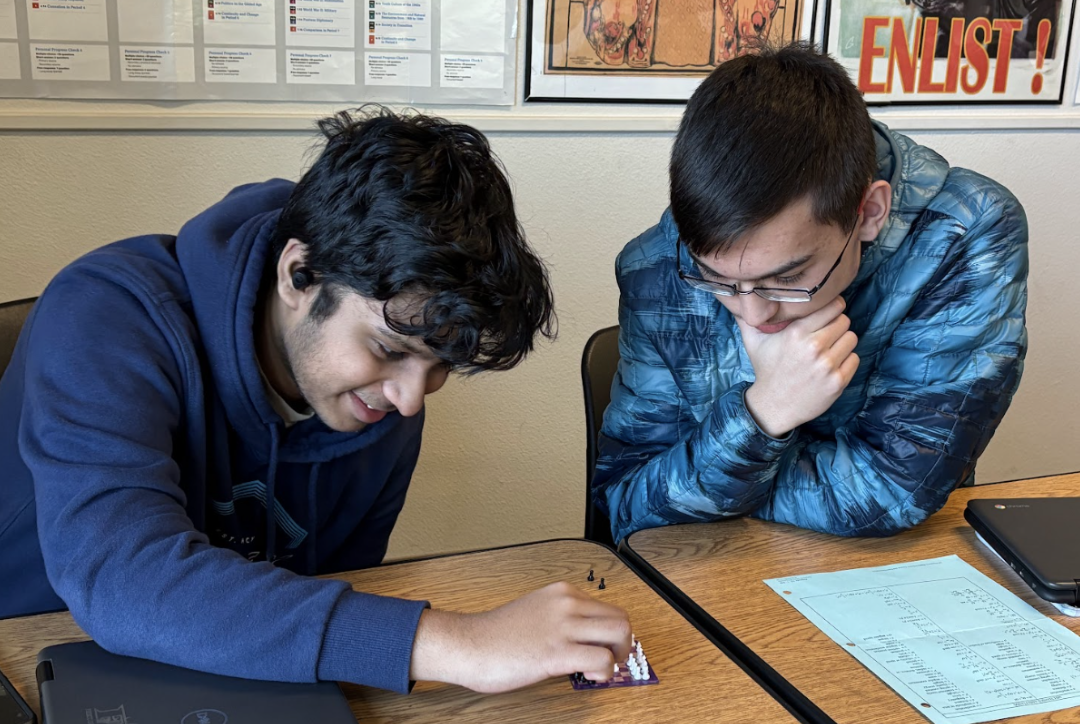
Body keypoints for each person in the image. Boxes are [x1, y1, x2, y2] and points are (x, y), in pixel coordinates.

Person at [0, 108, 632, 694]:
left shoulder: (378, 403)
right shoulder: (104, 315)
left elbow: (337, 592)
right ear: (299, 274)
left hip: (233, 669)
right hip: (36, 657)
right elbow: (121, 578)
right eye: (389, 350)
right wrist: (460, 642)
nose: (411, 401)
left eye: (439, 368)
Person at [593, 42, 1028, 544]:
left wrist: (704, 486)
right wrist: (767, 410)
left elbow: (892, 491)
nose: (753, 313)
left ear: (868, 214)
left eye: (787, 278)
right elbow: (626, 504)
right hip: (708, 575)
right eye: (719, 280)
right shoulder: (656, 264)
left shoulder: (964, 232)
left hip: (883, 576)